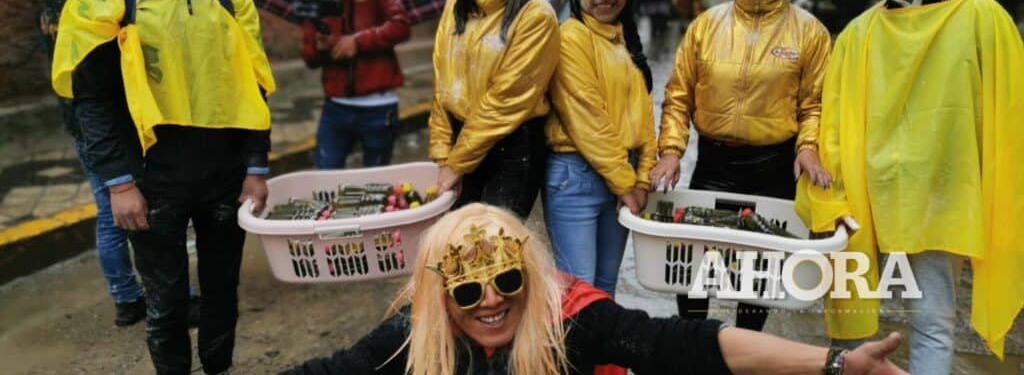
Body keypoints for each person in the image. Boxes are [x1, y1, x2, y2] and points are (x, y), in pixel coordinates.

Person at [50, 0, 276, 373]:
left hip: (224, 175)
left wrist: (256, 167)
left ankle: (218, 368)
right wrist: (119, 183)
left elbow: (255, 84)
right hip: (153, 181)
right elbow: (93, 99)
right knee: (167, 303)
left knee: (222, 293)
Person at [795, 0, 1024, 374]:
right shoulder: (858, 34)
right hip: (866, 195)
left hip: (943, 195)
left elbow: (1010, 112)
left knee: (934, 320)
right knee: (851, 318)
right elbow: (832, 116)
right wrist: (815, 160)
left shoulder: (984, 20)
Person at [282, 203, 909, 375]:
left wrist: (835, 363)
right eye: (469, 292)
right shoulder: (413, 338)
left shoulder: (573, 322)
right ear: (442, 297)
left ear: (529, 277)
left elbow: (688, 344)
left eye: (506, 280)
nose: (492, 301)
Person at [649, 0, 833, 332]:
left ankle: (747, 351)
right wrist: (671, 152)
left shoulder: (811, 33)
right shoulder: (705, 26)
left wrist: (808, 148)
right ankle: (697, 346)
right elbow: (678, 97)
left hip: (773, 170)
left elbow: (815, 105)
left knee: (757, 277)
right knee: (693, 268)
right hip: (714, 165)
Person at [38, 0, 148, 327]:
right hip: (114, 116)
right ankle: (161, 295)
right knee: (140, 207)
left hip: (78, 117)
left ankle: (125, 298)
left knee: (108, 212)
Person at [429, 0, 560, 218]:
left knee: (494, 238)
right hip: (462, 141)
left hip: (511, 145)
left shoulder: (536, 16)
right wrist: (441, 150)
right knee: (457, 236)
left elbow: (506, 99)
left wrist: (457, 164)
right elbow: (442, 78)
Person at [543, 0, 654, 299]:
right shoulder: (570, 38)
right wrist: (627, 184)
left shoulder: (624, 40)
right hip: (577, 177)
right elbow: (588, 120)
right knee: (579, 294)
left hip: (622, 175)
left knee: (605, 291)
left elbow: (644, 117)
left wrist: (643, 177)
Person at [300, 0, 411, 169]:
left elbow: (401, 25)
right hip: (335, 107)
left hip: (379, 106)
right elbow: (308, 57)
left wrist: (359, 41)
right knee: (325, 177)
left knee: (375, 182)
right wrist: (319, 47)